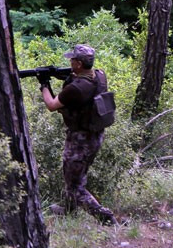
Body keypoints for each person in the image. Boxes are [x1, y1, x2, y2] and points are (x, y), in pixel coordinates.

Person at [39, 44, 118, 225]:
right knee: (75, 176)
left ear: (80, 64)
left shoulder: (76, 89)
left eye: (73, 60)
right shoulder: (99, 75)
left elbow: (51, 105)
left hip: (80, 140)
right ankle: (68, 210)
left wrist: (44, 84)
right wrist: (67, 76)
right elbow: (83, 86)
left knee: (74, 185)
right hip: (95, 135)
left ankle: (105, 217)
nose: (70, 61)